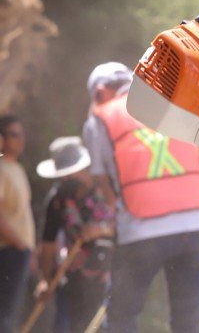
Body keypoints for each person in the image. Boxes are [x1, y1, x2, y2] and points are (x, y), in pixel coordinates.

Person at [81, 62, 199, 333]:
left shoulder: (101, 116)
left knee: (122, 317)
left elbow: (101, 178)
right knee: (188, 319)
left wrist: (116, 214)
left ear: (100, 91)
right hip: (195, 223)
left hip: (141, 228)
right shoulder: (172, 100)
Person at [34, 136, 115, 333]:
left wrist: (99, 230)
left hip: (111, 272)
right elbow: (48, 242)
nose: (67, 179)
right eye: (63, 175)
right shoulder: (57, 199)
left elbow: (126, 224)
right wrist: (45, 279)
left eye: (71, 173)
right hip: (74, 275)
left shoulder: (105, 186)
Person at [0, 113, 35, 333]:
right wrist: (21, 246)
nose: (20, 139)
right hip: (8, 251)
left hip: (20, 252)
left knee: (10, 314)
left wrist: (30, 251)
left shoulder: (17, 169)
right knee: (4, 314)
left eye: (21, 133)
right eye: (14, 135)